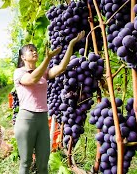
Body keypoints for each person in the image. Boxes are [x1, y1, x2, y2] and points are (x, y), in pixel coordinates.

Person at [13, 30, 86, 174]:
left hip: (42, 119)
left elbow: (61, 67)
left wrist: (71, 44)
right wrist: (47, 58)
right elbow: (32, 79)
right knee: (26, 162)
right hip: (26, 119)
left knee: (43, 162)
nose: (34, 52)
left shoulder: (43, 72)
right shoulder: (19, 72)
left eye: (35, 50)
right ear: (23, 57)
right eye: (30, 51)